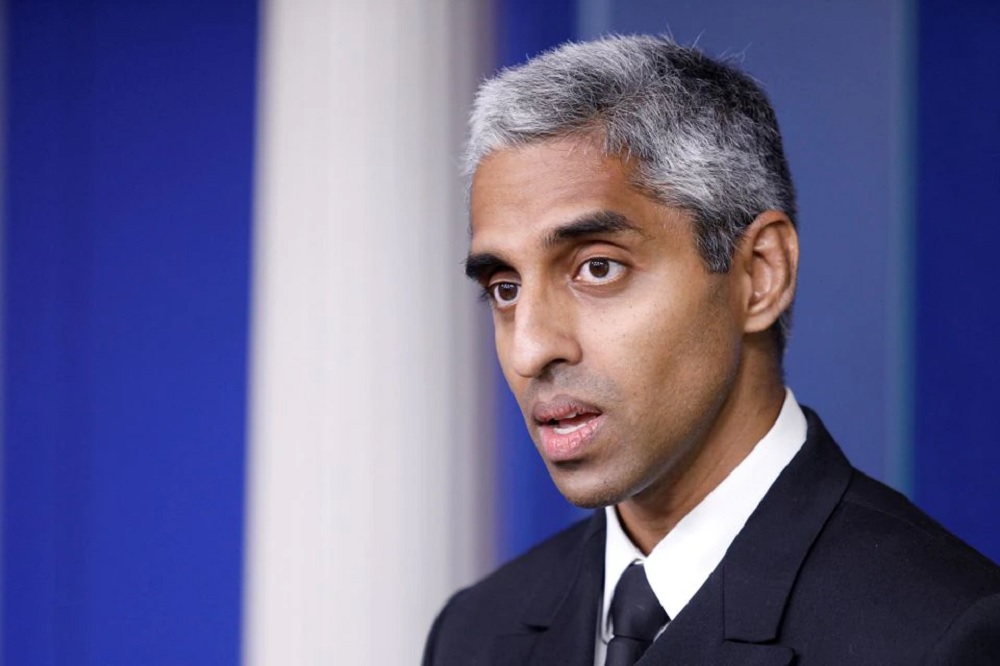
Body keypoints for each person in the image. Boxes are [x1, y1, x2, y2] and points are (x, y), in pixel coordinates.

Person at [423, 35, 1000, 665]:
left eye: (597, 269)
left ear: (760, 274)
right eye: (504, 288)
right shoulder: (472, 635)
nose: (531, 348)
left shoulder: (945, 636)